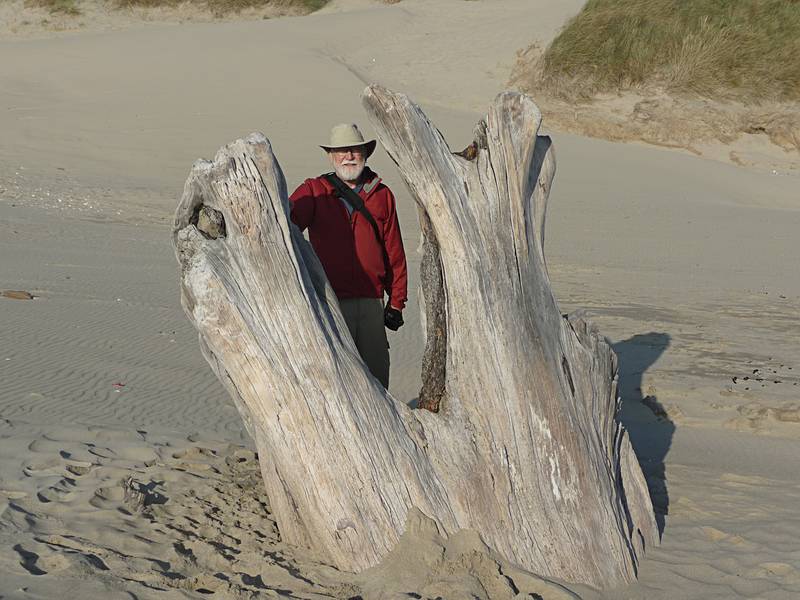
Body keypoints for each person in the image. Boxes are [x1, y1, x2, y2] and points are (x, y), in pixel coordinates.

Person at [289, 123, 407, 388]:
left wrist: (397, 301)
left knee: (377, 378)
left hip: (371, 303)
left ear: (365, 154)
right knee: (338, 379)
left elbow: (394, 252)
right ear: (331, 157)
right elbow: (285, 223)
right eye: (342, 151)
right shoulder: (314, 192)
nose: (349, 156)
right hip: (329, 302)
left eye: (354, 150)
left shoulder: (382, 195)